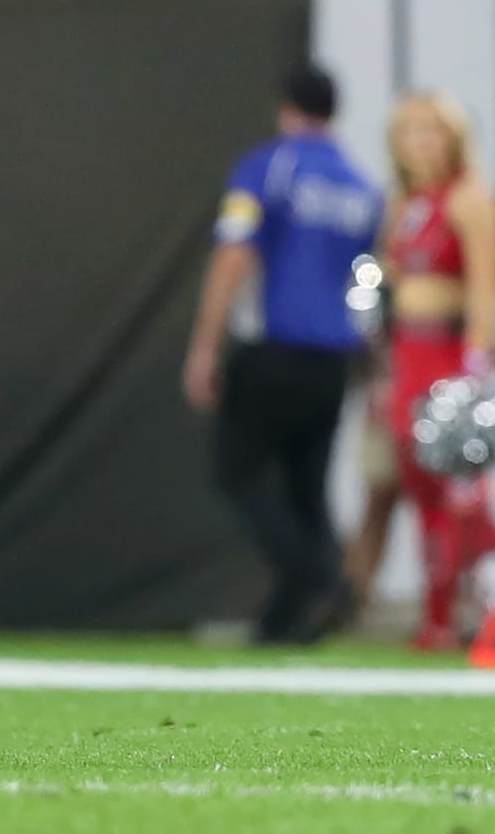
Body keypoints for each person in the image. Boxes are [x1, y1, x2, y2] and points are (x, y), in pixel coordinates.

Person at [183, 66, 381, 644]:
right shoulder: (360, 187)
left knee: (237, 470)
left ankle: (317, 579)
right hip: (333, 359)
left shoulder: (269, 167)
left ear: (286, 107)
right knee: (305, 487)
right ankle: (286, 624)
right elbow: (368, 279)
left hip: (276, 346)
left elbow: (232, 258)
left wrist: (205, 348)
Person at [380, 91, 495, 650]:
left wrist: (477, 364)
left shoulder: (469, 198)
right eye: (409, 131)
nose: (420, 143)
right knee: (419, 485)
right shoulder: (403, 203)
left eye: (431, 131)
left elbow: (487, 287)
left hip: (448, 357)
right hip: (406, 354)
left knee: (461, 491)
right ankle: (437, 614)